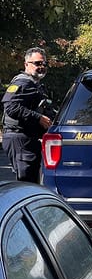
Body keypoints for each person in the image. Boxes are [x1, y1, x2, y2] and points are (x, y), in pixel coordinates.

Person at [1, 47, 53, 183]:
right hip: (19, 139)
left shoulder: (35, 85)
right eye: (37, 63)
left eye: (44, 64)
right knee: (26, 184)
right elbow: (10, 106)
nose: (41, 67)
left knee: (32, 182)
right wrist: (38, 118)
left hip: (29, 139)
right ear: (26, 64)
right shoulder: (22, 82)